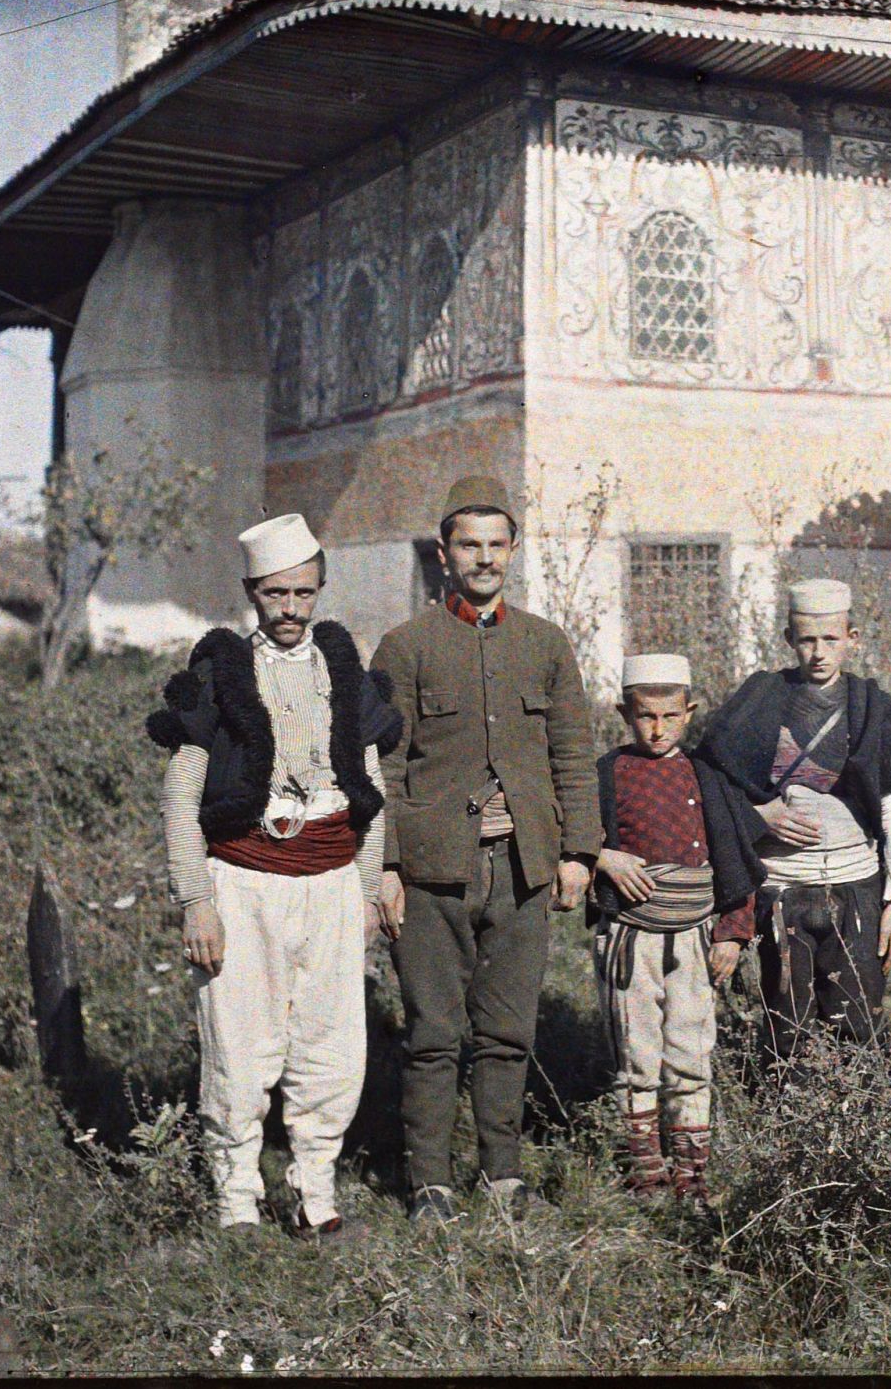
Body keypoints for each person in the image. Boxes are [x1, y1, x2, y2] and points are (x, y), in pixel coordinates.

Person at [148, 513, 402, 1241]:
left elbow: (369, 788)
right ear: (251, 593)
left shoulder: (342, 672)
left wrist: (362, 892)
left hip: (327, 880)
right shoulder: (221, 674)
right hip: (243, 879)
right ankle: (236, 1198)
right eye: (274, 594)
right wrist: (198, 901)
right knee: (240, 1039)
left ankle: (313, 1189)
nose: (290, 609)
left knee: (331, 1045)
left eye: (303, 593)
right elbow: (179, 795)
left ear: (319, 590)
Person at [370, 475, 601, 1224]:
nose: (484, 559)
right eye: (469, 544)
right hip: (437, 873)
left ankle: (503, 1174)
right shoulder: (405, 648)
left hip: (524, 870)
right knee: (435, 1033)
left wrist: (577, 854)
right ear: (444, 553)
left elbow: (572, 752)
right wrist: (390, 866)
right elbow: (387, 767)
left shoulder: (544, 644)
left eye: (496, 545)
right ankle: (430, 1182)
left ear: (513, 551)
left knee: (508, 1031)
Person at [694, 579, 891, 1061]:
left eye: (831, 639)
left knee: (859, 1016)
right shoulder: (759, 699)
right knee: (786, 1016)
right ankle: (787, 1123)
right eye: (806, 640)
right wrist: (758, 814)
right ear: (788, 640)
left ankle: (860, 1124)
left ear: (853, 638)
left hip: (855, 882)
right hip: (781, 885)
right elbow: (709, 782)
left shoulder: (874, 709)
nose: (819, 652)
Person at [590, 653, 760, 1202]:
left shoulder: (705, 776)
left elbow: (734, 856)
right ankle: (646, 1177)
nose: (657, 729)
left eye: (669, 717)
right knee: (636, 1057)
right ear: (623, 712)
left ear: (689, 713)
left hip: (693, 938)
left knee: (691, 1053)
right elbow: (569, 835)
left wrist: (732, 932)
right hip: (629, 940)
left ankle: (693, 1177)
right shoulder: (606, 774)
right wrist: (601, 856)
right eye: (644, 717)